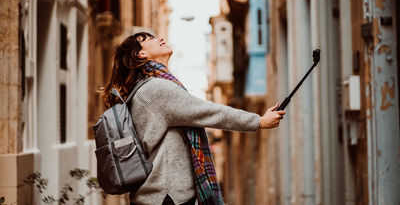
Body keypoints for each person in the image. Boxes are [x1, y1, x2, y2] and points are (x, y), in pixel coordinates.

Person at [101, 32, 286, 205]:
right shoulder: (156, 89)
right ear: (141, 54)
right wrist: (259, 121)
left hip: (158, 195)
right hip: (165, 197)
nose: (159, 38)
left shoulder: (150, 87)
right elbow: (208, 112)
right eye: (148, 38)